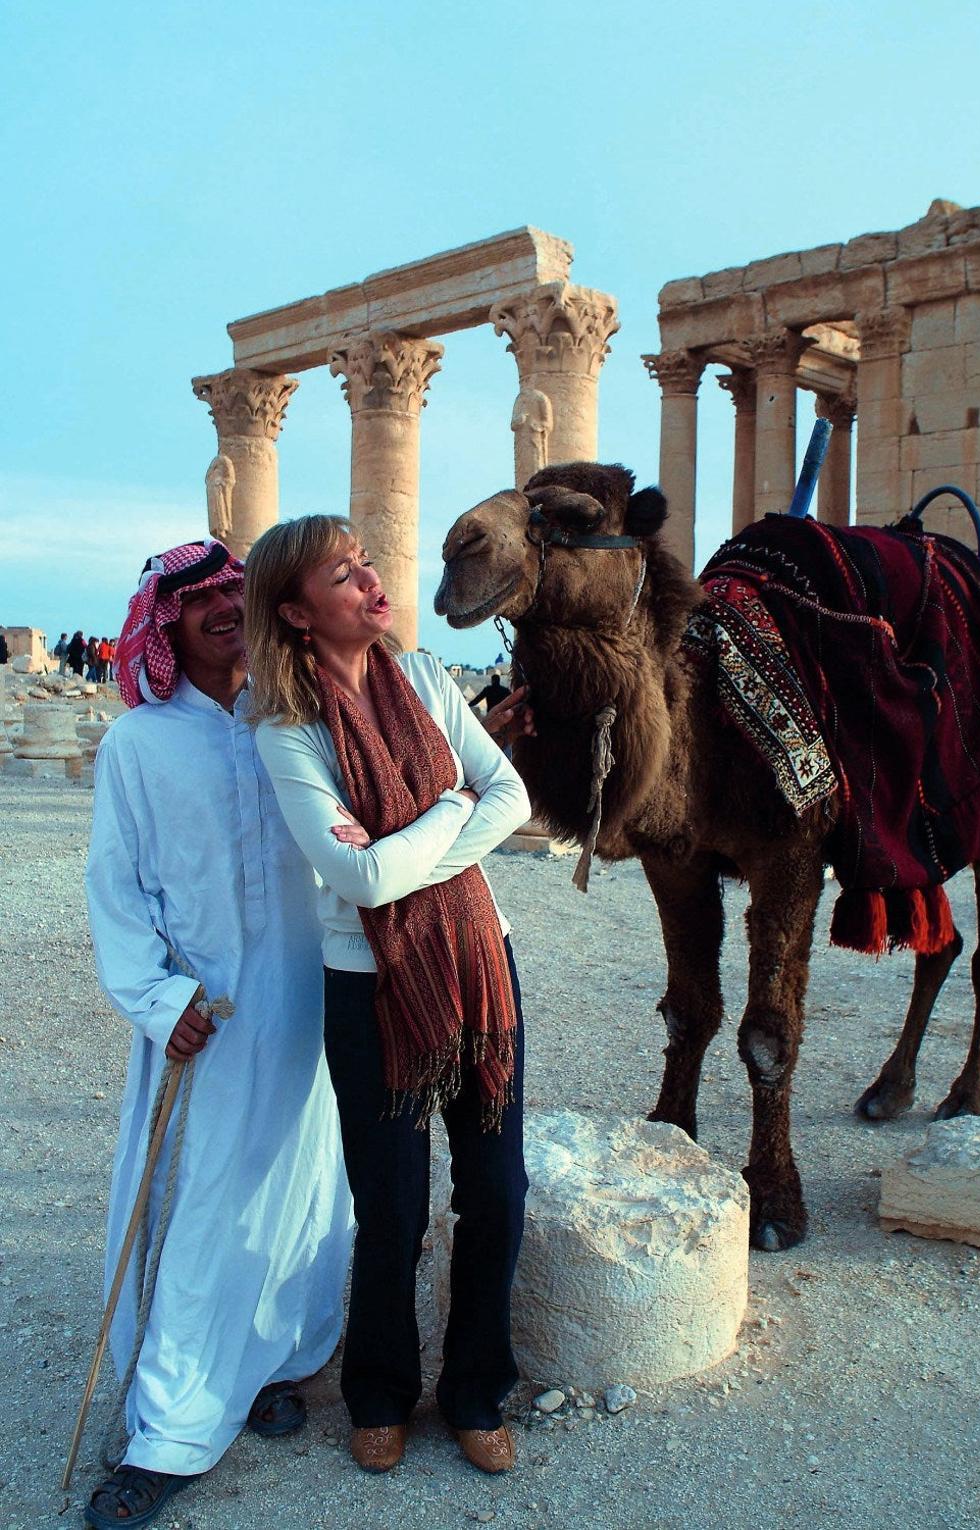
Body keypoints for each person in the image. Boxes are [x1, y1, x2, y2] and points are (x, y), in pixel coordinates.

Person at [245, 515, 532, 1478]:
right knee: (394, 1206)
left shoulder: (424, 680)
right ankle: (379, 1392)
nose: (372, 579)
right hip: (369, 989)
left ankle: (477, 1389)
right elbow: (356, 885)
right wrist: (454, 810)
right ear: (295, 613)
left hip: (477, 967)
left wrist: (419, 830)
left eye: (366, 560)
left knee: (496, 1192)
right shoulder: (287, 733)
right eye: (343, 573)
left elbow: (513, 798)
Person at [83, 538, 353, 1530]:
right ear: (166, 621)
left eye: (236, 594)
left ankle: (282, 1362)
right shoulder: (140, 746)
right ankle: (171, 1430)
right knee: (198, 1215)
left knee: (303, 1193)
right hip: (206, 1017)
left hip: (313, 1004)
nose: (222, 610)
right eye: (198, 601)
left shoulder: (299, 722)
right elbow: (116, 892)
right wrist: (158, 1001)